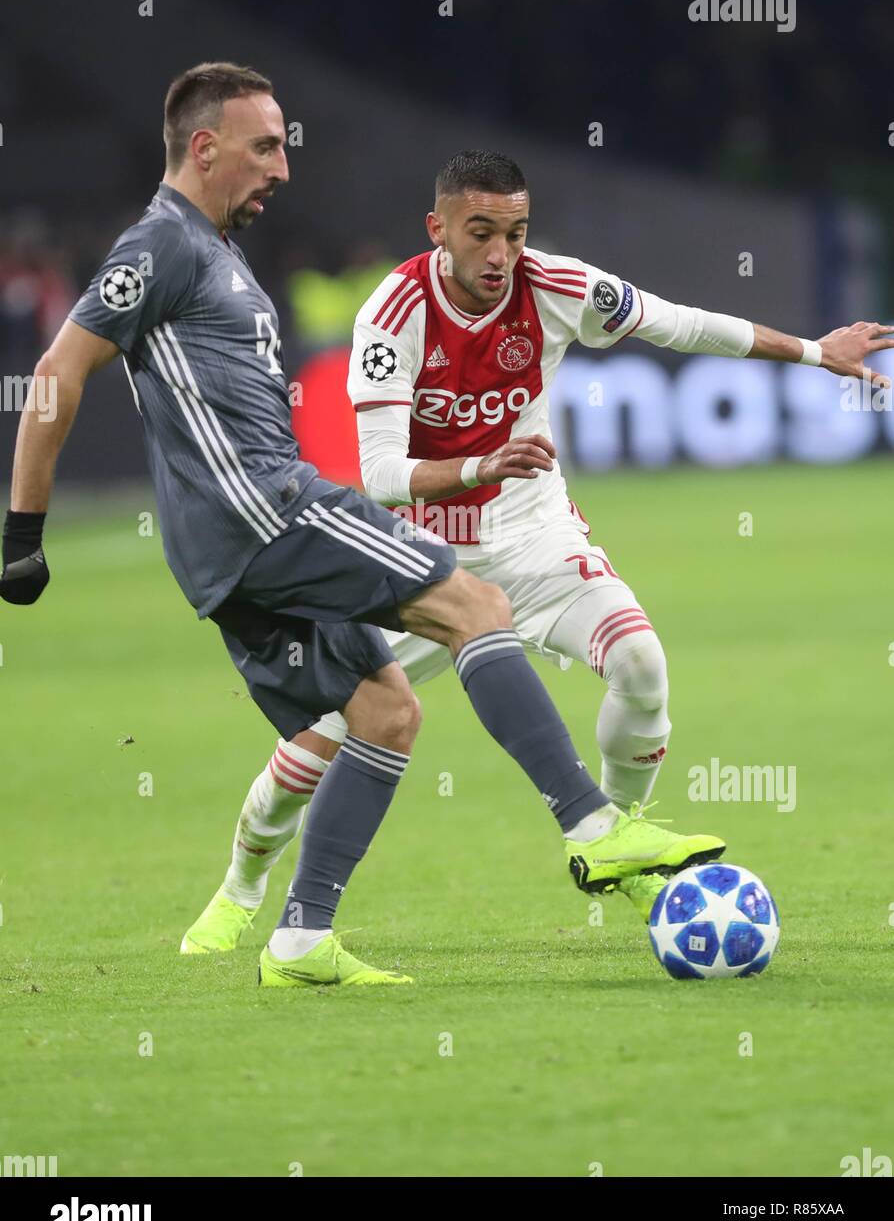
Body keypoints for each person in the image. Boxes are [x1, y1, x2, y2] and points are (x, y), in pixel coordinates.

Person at [1, 69, 726, 990]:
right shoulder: (162, 245)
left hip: (228, 542)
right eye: (266, 146)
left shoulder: (214, 249)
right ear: (204, 145)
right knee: (474, 603)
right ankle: (594, 827)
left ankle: (302, 937)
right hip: (264, 508)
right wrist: (22, 531)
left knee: (384, 711)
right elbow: (59, 369)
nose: (283, 169)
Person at [180, 147, 894, 957]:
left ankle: (614, 849)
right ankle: (240, 888)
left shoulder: (556, 287)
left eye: (516, 233)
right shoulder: (393, 311)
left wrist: (812, 351)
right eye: (480, 233)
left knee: (641, 665)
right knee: (315, 739)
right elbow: (378, 477)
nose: (500, 254)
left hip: (534, 538)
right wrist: (483, 462)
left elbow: (681, 323)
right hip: (416, 565)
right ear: (438, 228)